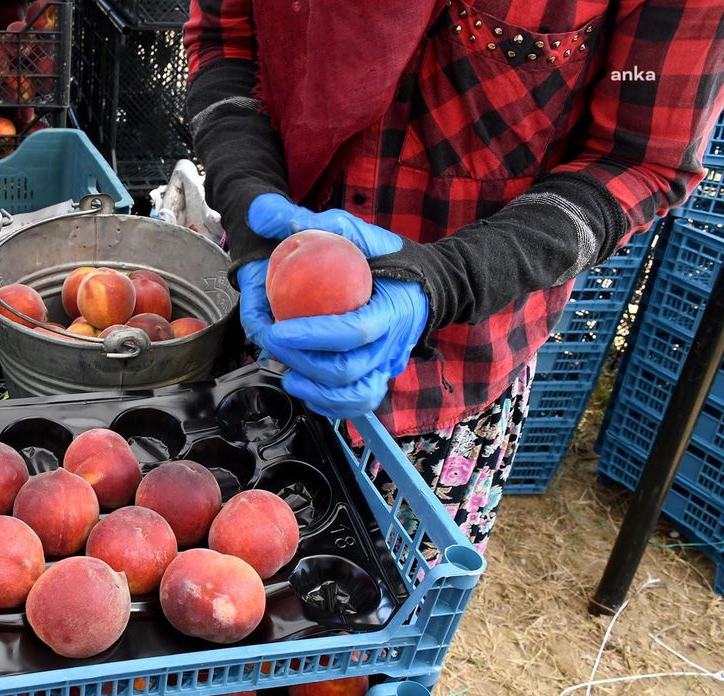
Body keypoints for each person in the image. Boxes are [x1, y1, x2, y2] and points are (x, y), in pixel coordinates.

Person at [185, 1, 724, 555]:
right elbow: (226, 40)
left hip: (448, 383)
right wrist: (248, 196)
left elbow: (640, 161)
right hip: (258, 334)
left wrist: (449, 278)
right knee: (208, 570)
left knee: (388, 612)